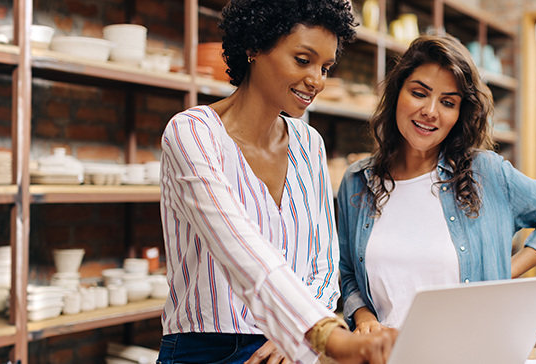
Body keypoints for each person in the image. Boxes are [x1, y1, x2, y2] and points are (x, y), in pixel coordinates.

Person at [159, 0, 397, 363]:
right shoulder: (192, 133)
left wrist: (296, 340)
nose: (317, 79)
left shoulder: (309, 143)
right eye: (303, 60)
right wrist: (323, 334)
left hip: (292, 352)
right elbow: (237, 246)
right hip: (206, 351)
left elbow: (324, 260)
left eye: (326, 67)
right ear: (254, 46)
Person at [335, 35, 536, 334]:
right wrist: (363, 317)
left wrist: (502, 276)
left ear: (459, 114)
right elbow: (348, 270)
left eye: (447, 102)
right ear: (397, 93)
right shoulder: (357, 181)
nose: (430, 111)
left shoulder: (485, 173)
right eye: (419, 93)